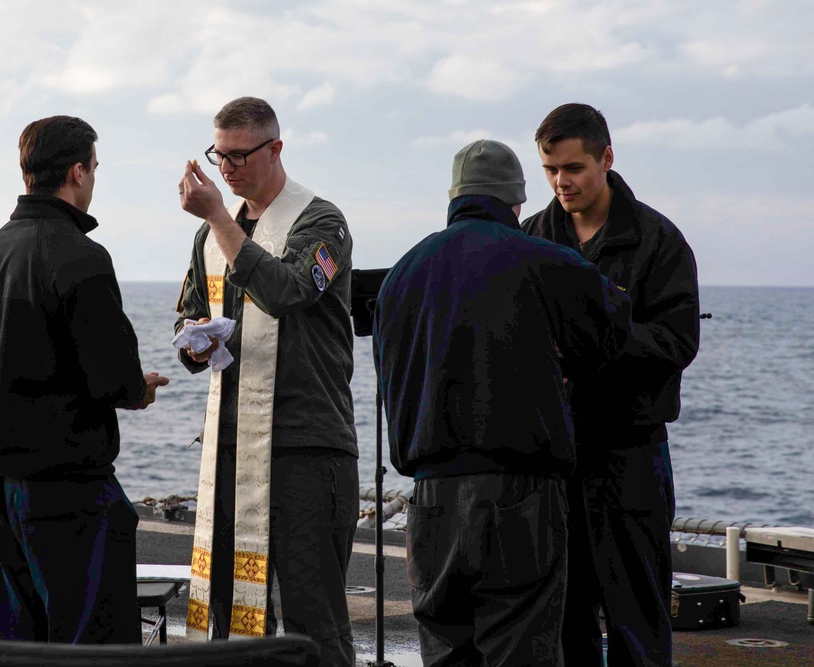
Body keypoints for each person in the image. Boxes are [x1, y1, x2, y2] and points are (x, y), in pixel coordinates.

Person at [373, 139, 633, 667]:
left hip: (429, 499)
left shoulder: (401, 275)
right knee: (521, 645)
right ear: (517, 202)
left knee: (446, 651)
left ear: (454, 198)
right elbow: (615, 321)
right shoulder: (544, 259)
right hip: (520, 492)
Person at [0, 115, 169, 643]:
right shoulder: (83, 258)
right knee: (92, 651)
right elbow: (115, 381)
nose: (94, 179)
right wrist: (140, 388)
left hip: (1, 488)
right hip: (68, 493)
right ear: (77, 172)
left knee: (14, 649)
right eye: (94, 168)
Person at [174, 96, 359, 666]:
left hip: (305, 444)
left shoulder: (323, 223)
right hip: (230, 445)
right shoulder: (214, 235)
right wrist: (195, 337)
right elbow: (186, 314)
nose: (226, 168)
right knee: (228, 618)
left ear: (276, 149)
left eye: (239, 155)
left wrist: (219, 219)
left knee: (313, 620)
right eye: (218, 154)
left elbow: (286, 292)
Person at [522, 103, 700, 667]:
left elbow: (677, 343)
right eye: (550, 170)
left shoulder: (659, 241)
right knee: (564, 616)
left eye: (573, 168)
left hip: (630, 455)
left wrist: (592, 342)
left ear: (607, 157)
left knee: (638, 618)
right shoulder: (531, 237)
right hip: (553, 458)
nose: (560, 182)